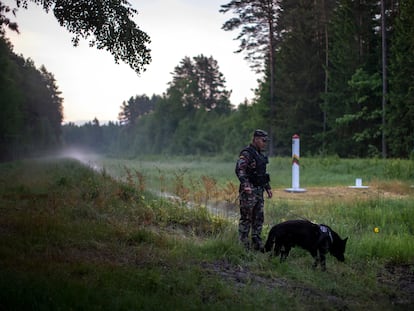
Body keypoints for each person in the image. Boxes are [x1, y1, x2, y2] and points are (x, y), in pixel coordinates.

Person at [235, 129, 273, 251]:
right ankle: (243, 244)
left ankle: (256, 242)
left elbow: (262, 173)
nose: (265, 143)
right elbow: (240, 169)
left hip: (259, 191)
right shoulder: (247, 153)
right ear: (256, 139)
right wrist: (245, 185)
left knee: (258, 217)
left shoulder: (260, 155)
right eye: (263, 140)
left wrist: (268, 188)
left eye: (266, 141)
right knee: (246, 218)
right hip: (249, 191)